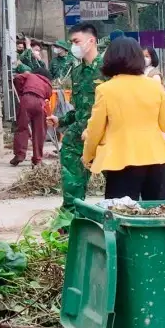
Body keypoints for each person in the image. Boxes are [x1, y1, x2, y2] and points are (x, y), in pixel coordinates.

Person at [82, 38, 165, 201]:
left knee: (121, 218)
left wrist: (88, 155)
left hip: (122, 164)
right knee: (157, 218)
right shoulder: (155, 86)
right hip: (157, 161)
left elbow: (95, 129)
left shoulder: (105, 90)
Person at [53, 23, 102, 204]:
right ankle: (71, 218)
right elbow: (80, 109)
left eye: (76, 41)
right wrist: (61, 120)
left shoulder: (108, 68)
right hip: (79, 135)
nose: (73, 46)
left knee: (119, 183)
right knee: (71, 181)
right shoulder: (77, 71)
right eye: (72, 42)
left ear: (91, 41)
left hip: (105, 134)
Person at [11, 69, 53, 166]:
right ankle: (37, 159)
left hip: (26, 99)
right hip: (40, 103)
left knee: (22, 128)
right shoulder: (48, 84)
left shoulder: (30, 76)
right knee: (39, 131)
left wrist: (21, 90)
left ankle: (19, 155)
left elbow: (17, 78)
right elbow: (48, 96)